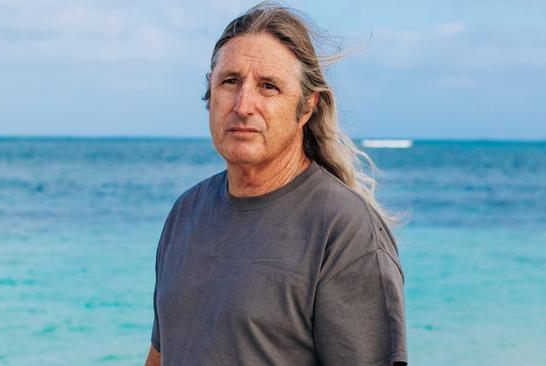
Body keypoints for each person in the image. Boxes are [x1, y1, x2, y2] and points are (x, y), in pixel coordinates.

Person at [145, 2, 408, 365]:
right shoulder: (186, 213)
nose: (243, 104)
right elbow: (160, 356)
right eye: (230, 81)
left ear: (306, 107)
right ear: (210, 95)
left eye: (268, 86)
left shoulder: (345, 231)